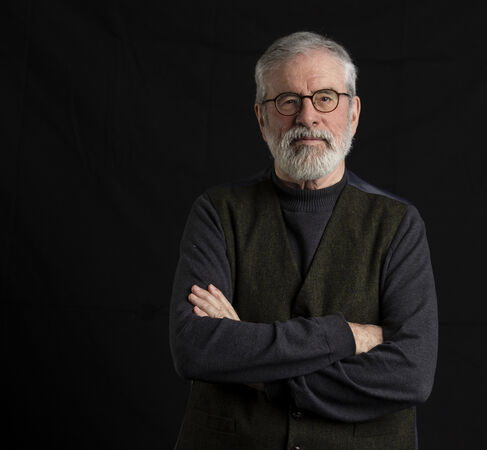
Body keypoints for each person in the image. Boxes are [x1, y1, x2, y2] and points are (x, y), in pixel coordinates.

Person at [169, 31, 438, 449]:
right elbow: (196, 348)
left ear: (353, 113)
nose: (307, 117)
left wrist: (259, 370)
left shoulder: (398, 224)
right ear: (262, 118)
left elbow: (411, 374)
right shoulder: (217, 213)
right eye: (288, 100)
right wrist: (346, 336)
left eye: (325, 98)